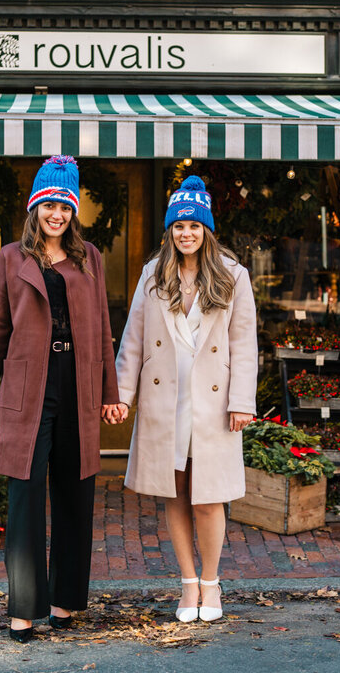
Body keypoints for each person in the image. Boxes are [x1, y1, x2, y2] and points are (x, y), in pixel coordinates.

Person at [0, 155, 127, 643]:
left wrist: (109, 392)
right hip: (27, 386)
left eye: (64, 206)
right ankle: (23, 609)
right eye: (49, 205)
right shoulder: (11, 257)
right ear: (35, 208)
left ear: (73, 210)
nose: (56, 214)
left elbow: (103, 330)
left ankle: (63, 602)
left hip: (76, 383)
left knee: (74, 494)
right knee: (23, 496)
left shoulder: (90, 258)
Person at [114, 175, 257, 623]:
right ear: (169, 231)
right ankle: (187, 582)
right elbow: (133, 340)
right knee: (173, 491)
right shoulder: (152, 274)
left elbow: (245, 343)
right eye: (178, 226)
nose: (186, 233)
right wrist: (121, 395)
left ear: (206, 230)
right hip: (165, 402)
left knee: (209, 496)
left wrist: (241, 401)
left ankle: (212, 583)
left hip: (213, 404)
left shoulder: (233, 276)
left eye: (194, 226)